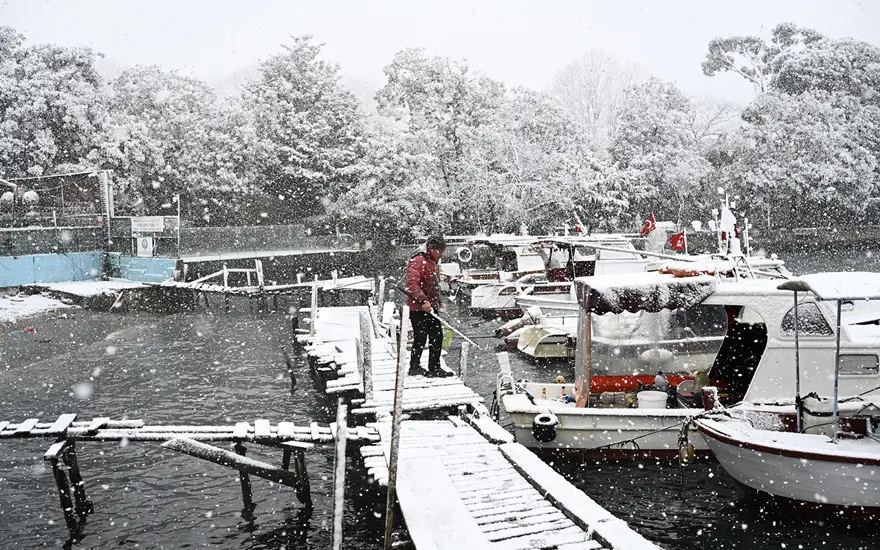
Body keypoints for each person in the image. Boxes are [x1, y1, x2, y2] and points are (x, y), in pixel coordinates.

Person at [405, 235, 453, 377]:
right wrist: (423, 300)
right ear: (430, 248)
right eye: (439, 251)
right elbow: (412, 284)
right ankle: (414, 367)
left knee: (436, 336)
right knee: (420, 337)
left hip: (431, 306)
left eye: (442, 251)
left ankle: (434, 367)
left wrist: (437, 302)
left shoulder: (433, 261)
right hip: (418, 307)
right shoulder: (418, 261)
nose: (441, 254)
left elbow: (434, 284)